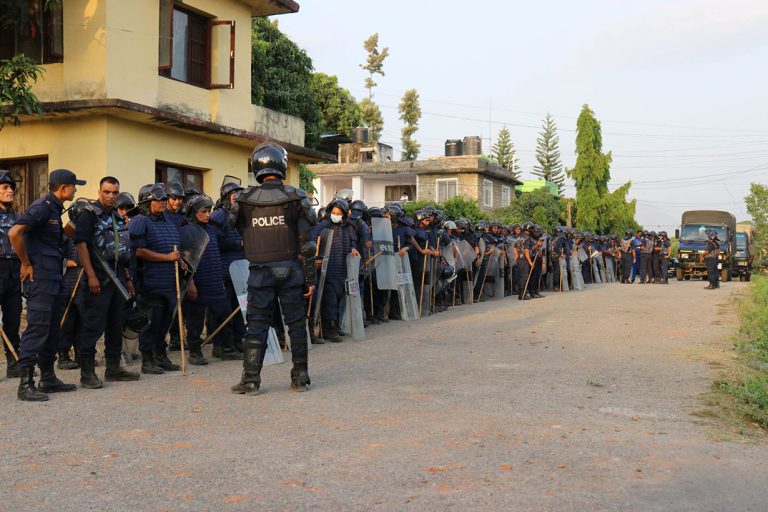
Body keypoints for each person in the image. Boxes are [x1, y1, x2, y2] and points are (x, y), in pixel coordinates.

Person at [230, 142, 318, 395]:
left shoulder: (244, 200)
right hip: (291, 271)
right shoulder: (296, 197)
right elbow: (308, 244)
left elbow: (237, 228)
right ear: (281, 164)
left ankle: (250, 380)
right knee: (297, 325)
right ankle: (300, 377)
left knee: (256, 326)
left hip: (259, 272)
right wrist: (310, 279)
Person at [9, 169, 83, 401]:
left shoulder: (54, 209)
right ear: (63, 188)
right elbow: (14, 233)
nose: (76, 189)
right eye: (74, 186)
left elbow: (48, 240)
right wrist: (25, 263)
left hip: (53, 277)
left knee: (52, 328)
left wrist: (67, 232)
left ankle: (48, 377)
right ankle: (26, 383)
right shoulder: (41, 206)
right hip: (39, 278)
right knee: (38, 328)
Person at [73, 177, 139, 388]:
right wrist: (91, 275)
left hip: (117, 277)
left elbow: (122, 250)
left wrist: (127, 278)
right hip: (99, 277)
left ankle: (113, 368)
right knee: (93, 325)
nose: (111, 196)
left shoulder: (117, 217)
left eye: (115, 193)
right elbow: (81, 245)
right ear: (99, 191)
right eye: (107, 192)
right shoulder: (88, 214)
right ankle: (87, 373)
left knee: (115, 324)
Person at [129, 184, 182, 374]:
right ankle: (148, 359)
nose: (161, 202)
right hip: (150, 281)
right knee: (151, 321)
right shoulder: (140, 221)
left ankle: (161, 355)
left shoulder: (168, 221)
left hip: (168, 280)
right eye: (157, 200)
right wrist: (167, 257)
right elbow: (139, 251)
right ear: (146, 202)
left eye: (162, 199)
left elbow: (174, 246)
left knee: (165, 321)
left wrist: (180, 260)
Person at [182, 194, 238, 365]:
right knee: (195, 320)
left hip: (215, 281)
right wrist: (190, 283)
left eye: (209, 211)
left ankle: (224, 348)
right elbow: (184, 262)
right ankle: (195, 352)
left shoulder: (211, 230)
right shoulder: (186, 231)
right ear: (193, 212)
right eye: (204, 211)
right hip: (197, 283)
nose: (208, 215)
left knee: (224, 314)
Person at [310, 198, 359, 342]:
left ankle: (335, 327)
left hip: (342, 269)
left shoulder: (349, 227)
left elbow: (353, 243)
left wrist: (354, 249)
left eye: (339, 213)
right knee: (329, 301)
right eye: (334, 212)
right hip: (327, 269)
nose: (336, 215)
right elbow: (313, 239)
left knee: (339, 299)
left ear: (344, 214)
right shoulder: (323, 225)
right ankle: (329, 331)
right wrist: (315, 258)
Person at [210, 181, 247, 358]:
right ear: (226, 197)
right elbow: (213, 243)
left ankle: (238, 341)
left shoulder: (241, 215)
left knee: (240, 307)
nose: (237, 198)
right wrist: (237, 243)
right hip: (224, 270)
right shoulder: (218, 216)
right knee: (224, 309)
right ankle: (223, 346)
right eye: (234, 195)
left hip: (240, 269)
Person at [0, 170, 23, 379]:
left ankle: (13, 362)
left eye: (11, 188)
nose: (10, 192)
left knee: (13, 319)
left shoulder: (17, 216)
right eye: (5, 188)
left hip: (14, 270)